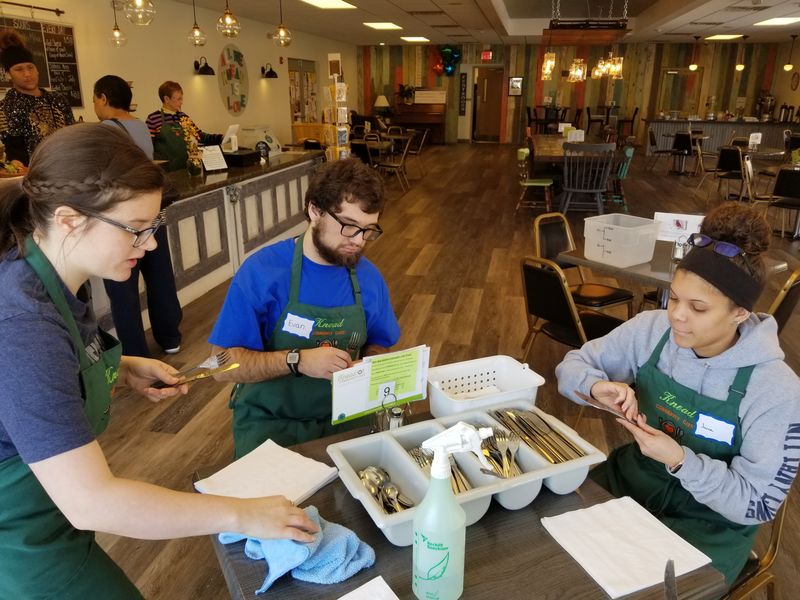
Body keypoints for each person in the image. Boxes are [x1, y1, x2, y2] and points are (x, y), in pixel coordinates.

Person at [0, 123, 317, 598]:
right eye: (135, 230)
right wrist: (243, 512)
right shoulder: (23, 325)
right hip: (20, 546)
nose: (148, 245)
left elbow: (42, 380)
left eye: (154, 228)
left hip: (51, 515)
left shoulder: (53, 279)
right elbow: (93, 501)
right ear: (68, 219)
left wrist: (121, 366)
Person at [556, 202, 800, 586]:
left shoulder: (775, 389)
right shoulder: (650, 331)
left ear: (740, 313)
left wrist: (682, 460)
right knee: (549, 552)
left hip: (709, 523)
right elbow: (571, 366)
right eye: (674, 298)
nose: (676, 316)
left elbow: (758, 502)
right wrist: (594, 385)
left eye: (698, 308)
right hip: (631, 482)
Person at [210, 158, 401, 457]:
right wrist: (297, 360)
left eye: (369, 230)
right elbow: (220, 366)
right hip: (271, 424)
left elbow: (378, 342)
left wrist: (372, 363)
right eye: (349, 227)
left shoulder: (368, 277)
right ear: (315, 210)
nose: (359, 241)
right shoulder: (263, 271)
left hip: (346, 421)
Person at [93, 74, 183, 356]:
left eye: (96, 98)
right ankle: (170, 337)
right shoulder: (141, 126)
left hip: (121, 219)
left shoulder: (105, 130)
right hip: (151, 211)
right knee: (160, 276)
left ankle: (136, 352)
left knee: (123, 288)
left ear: (104, 98)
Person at [0, 29, 74, 165]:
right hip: (34, 176)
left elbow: (73, 135)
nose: (27, 74)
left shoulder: (58, 99)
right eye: (19, 69)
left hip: (68, 167)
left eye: (30, 67)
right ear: (8, 75)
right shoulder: (5, 108)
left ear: (37, 70)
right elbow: (15, 151)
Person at [145, 80, 221, 171]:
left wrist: (220, 138)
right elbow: (147, 148)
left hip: (186, 170)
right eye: (178, 99)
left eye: (182, 98)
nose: (182, 102)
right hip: (166, 173)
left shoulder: (183, 117)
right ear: (166, 99)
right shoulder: (153, 119)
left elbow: (200, 136)